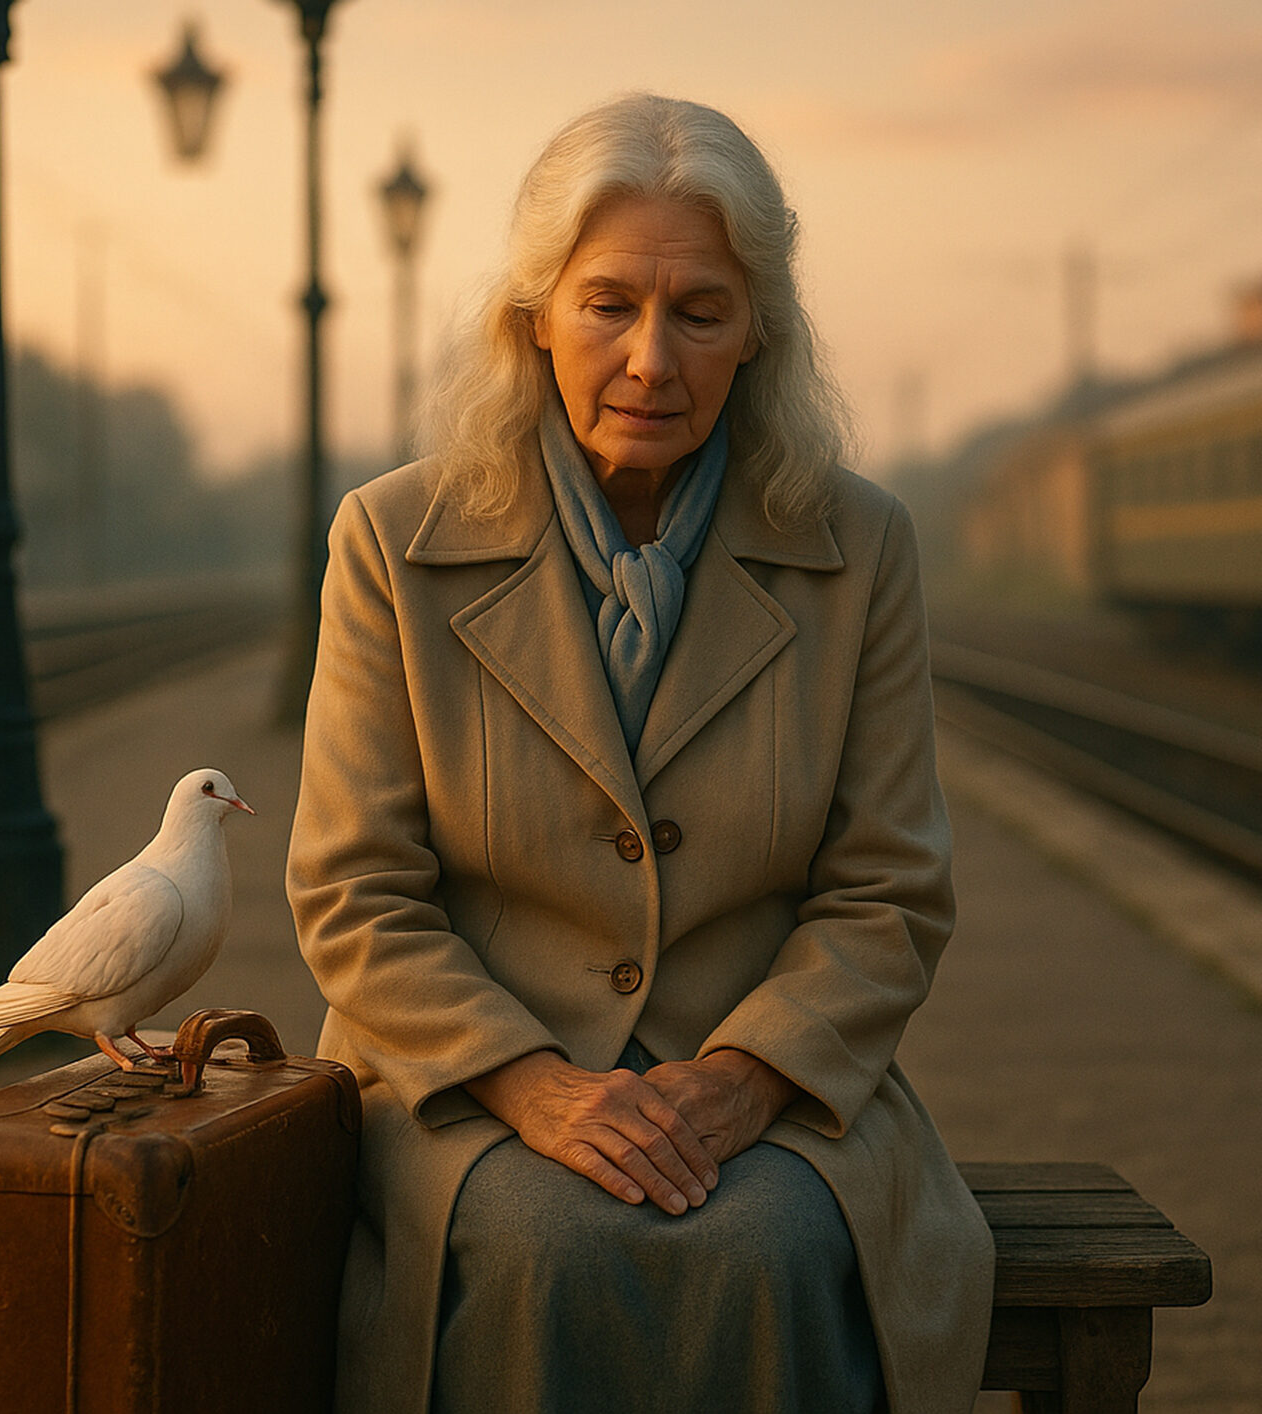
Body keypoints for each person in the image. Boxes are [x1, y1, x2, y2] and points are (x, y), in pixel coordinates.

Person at [288, 93, 994, 1414]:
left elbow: (889, 890)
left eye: (700, 312)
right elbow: (353, 890)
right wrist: (538, 1085)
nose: (651, 359)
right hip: (469, 1088)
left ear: (758, 335)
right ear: (534, 316)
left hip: (773, 1089)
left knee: (771, 1246)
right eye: (610, 305)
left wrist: (737, 1084)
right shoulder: (391, 542)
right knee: (537, 1246)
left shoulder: (863, 547)